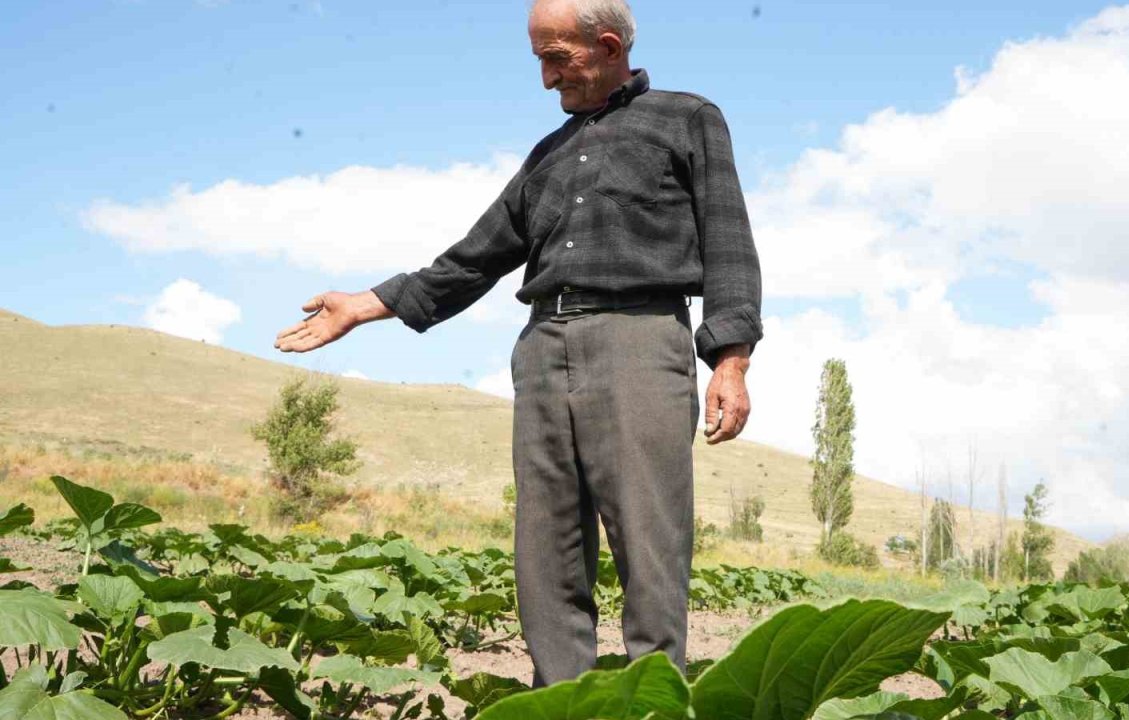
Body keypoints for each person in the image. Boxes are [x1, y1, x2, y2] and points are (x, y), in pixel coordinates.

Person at [273, 0, 762, 687]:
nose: (545, 79)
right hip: (541, 348)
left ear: (609, 44)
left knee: (650, 541)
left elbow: (729, 238)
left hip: (639, 339)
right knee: (547, 547)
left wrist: (730, 360)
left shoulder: (686, 119)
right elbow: (474, 258)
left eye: (556, 58)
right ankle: (560, 700)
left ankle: (654, 698)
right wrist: (365, 305)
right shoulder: (549, 155)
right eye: (540, 59)